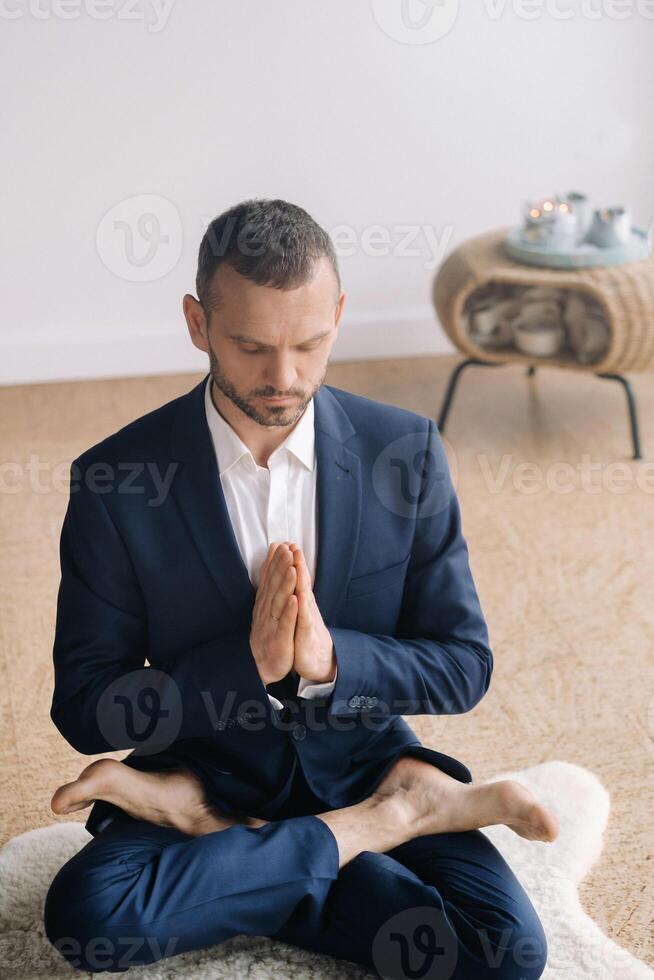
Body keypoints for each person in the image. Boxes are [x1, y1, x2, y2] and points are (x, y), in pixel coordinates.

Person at [44, 198, 557, 978]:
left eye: (310, 344)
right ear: (196, 323)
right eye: (250, 346)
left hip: (363, 758)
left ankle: (223, 838)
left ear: (340, 316)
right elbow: (85, 704)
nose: (284, 379)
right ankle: (380, 825)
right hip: (202, 763)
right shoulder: (117, 481)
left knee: (507, 954)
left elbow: (463, 664)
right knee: (87, 918)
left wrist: (330, 661)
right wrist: (240, 669)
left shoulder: (406, 451)